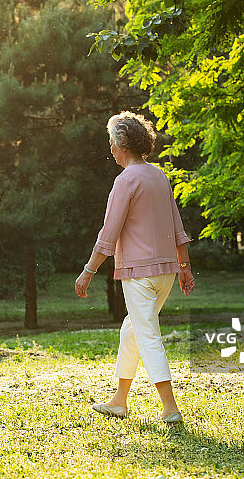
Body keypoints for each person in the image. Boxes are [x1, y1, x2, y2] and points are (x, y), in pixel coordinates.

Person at [75, 111, 194, 423]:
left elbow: (108, 233)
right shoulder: (159, 177)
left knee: (146, 333)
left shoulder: (125, 180)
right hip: (166, 272)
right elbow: (177, 227)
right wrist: (184, 266)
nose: (110, 149)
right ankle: (119, 400)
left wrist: (88, 271)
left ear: (123, 144)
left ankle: (170, 409)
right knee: (133, 330)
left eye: (112, 142)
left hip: (140, 275)